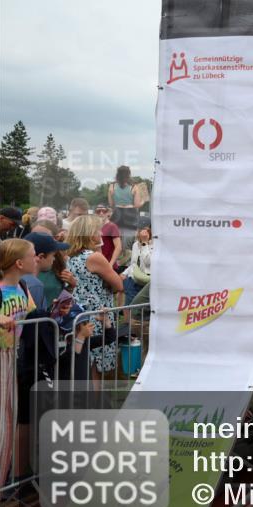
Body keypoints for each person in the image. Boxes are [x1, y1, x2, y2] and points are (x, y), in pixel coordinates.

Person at [65, 215, 124, 384]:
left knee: (84, 362)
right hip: (97, 314)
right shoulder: (93, 257)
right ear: (90, 234)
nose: (100, 233)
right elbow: (119, 285)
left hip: (79, 314)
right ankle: (93, 407)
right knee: (95, 367)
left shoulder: (70, 256)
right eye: (97, 230)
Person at [0, 238, 38, 486]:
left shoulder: (23, 287)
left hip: (12, 357)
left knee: (9, 418)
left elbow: (33, 313)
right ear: (19, 262)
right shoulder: (2, 289)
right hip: (1, 357)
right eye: (33, 254)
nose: (37, 258)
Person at [108, 165, 146, 246]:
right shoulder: (134, 187)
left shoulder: (112, 186)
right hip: (130, 214)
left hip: (117, 214)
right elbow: (136, 205)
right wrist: (143, 201)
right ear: (129, 175)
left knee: (115, 240)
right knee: (128, 242)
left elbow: (111, 204)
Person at [122, 224, 152, 304]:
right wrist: (124, 273)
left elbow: (148, 262)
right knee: (129, 305)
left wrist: (145, 244)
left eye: (145, 231)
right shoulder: (135, 244)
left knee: (139, 308)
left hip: (147, 280)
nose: (142, 233)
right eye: (140, 231)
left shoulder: (155, 245)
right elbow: (134, 263)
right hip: (134, 279)